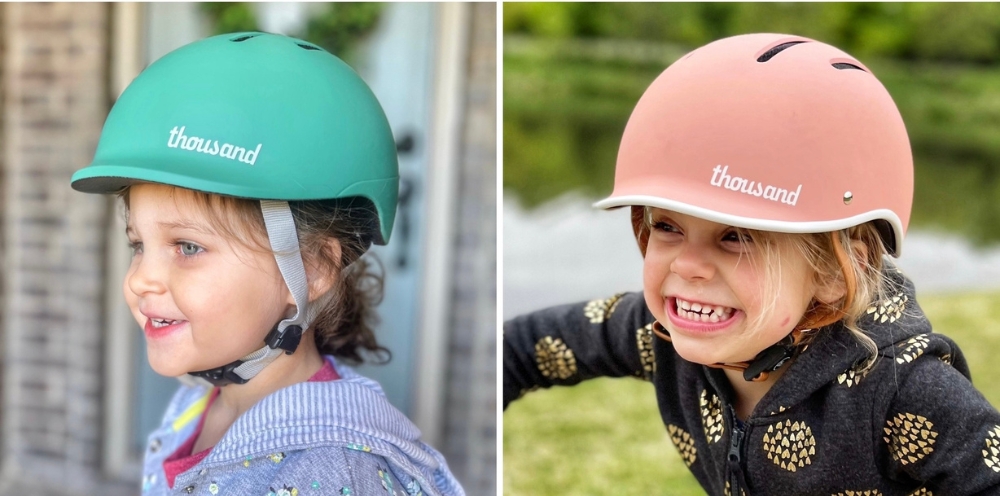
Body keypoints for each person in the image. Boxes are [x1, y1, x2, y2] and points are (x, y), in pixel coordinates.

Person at [503, 33, 1000, 494]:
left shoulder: (902, 390)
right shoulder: (656, 335)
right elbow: (517, 351)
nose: (689, 265)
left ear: (831, 272)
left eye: (736, 237)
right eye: (667, 227)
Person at [71, 32, 463, 496]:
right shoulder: (199, 403)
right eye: (138, 244)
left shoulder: (337, 474)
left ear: (313, 267)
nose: (141, 279)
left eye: (187, 246)